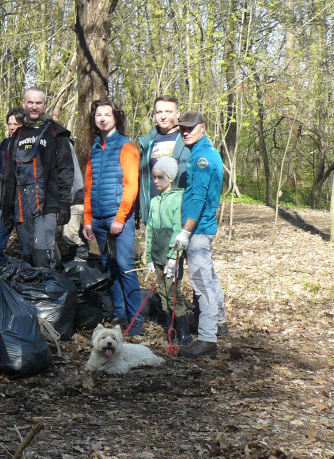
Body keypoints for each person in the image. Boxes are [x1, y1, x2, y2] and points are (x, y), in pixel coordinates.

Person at [81, 100, 144, 335]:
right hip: (98, 219)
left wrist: (120, 217)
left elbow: (131, 185)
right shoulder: (95, 149)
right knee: (110, 267)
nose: (103, 118)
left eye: (107, 114)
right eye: (99, 115)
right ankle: (120, 314)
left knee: (125, 265)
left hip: (119, 218)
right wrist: (88, 219)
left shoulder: (126, 147)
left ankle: (136, 320)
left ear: (115, 118)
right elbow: (89, 187)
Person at [171, 110, 227, 358]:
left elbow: (199, 198)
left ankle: (207, 339)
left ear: (202, 128)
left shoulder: (202, 157)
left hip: (199, 230)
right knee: (210, 277)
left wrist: (185, 232)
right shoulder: (201, 151)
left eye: (190, 128)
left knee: (202, 283)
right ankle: (219, 322)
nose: (185, 132)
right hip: (202, 229)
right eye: (182, 128)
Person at [0, 86, 73, 267]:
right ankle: (30, 285)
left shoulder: (56, 133)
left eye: (38, 103)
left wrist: (64, 204)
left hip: (46, 206)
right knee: (27, 256)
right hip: (21, 206)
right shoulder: (17, 135)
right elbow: (9, 174)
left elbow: (66, 170)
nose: (34, 106)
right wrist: (7, 208)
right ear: (23, 104)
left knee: (42, 256)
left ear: (44, 105)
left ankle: (48, 284)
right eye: (30, 102)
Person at [143, 156, 192, 346]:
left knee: (173, 294)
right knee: (163, 293)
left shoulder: (178, 199)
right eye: (154, 177)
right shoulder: (154, 201)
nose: (156, 181)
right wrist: (149, 257)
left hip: (171, 255)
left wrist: (174, 256)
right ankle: (171, 330)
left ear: (170, 178)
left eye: (160, 177)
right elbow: (150, 231)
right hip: (157, 254)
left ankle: (185, 333)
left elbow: (177, 230)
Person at [137, 95, 189, 226]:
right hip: (154, 215)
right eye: (159, 112)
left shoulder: (187, 141)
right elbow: (140, 179)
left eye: (168, 112)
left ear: (177, 113)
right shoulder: (147, 142)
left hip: (180, 215)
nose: (163, 116)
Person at [0, 107, 24, 255]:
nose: (12, 127)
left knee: (32, 250)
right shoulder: (1, 147)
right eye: (10, 124)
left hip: (24, 204)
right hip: (3, 204)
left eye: (16, 124)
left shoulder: (31, 147)